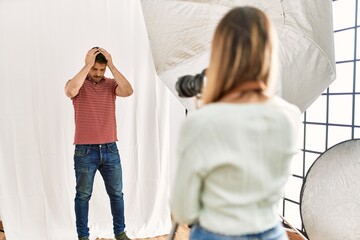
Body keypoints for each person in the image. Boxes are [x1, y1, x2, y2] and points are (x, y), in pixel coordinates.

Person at [170, 6, 301, 240]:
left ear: (220, 54)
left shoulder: (202, 123)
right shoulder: (290, 116)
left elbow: (184, 210)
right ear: (269, 53)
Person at [65, 47, 133, 240]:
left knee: (117, 195)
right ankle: (83, 237)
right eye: (95, 69)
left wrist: (111, 65)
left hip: (111, 148)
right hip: (85, 151)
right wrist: (87, 65)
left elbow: (128, 91)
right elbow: (70, 91)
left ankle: (120, 233)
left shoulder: (111, 85)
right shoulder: (77, 85)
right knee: (83, 195)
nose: (97, 73)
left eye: (101, 70)